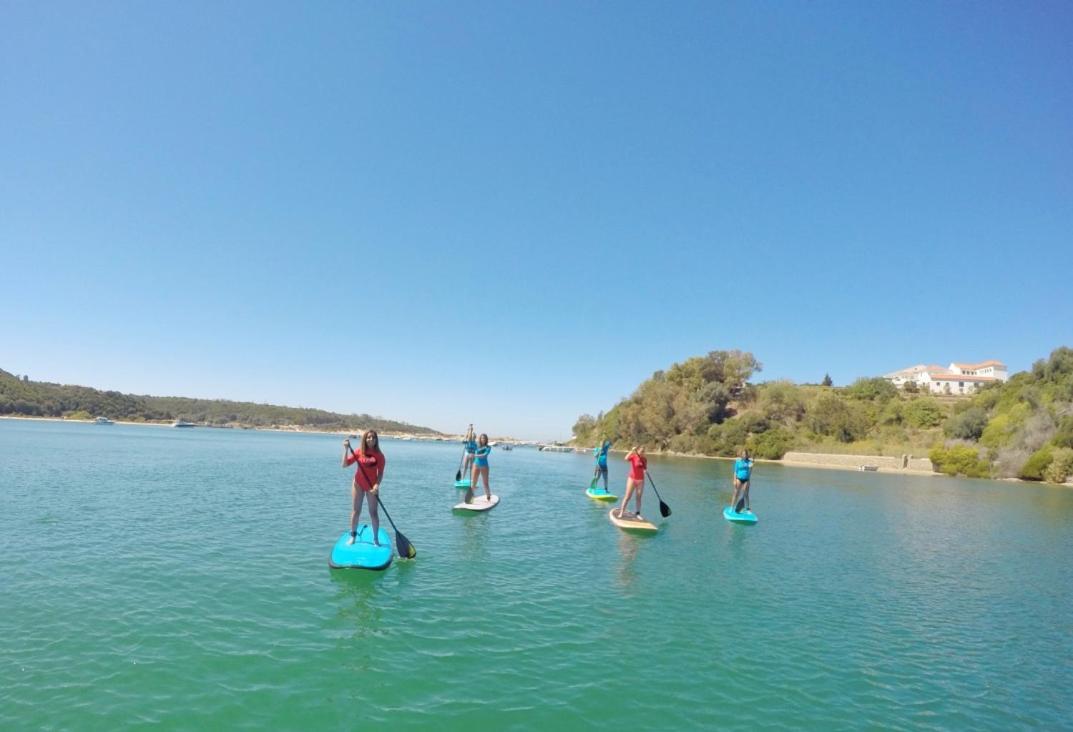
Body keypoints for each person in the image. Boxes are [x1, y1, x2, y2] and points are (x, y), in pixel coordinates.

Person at [341, 430, 386, 546]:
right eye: (368, 437)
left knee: (373, 513)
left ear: (376, 440)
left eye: (373, 437)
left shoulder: (380, 456)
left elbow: (380, 473)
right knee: (356, 511)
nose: (371, 439)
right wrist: (346, 449)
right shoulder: (358, 452)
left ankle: (375, 539)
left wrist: (377, 485)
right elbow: (344, 465)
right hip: (358, 484)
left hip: (372, 487)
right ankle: (353, 537)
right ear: (365, 439)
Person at [615, 446, 647, 520]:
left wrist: (645, 471)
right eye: (641, 451)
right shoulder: (633, 457)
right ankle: (621, 512)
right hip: (632, 479)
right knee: (627, 497)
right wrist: (632, 451)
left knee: (638, 497)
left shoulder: (644, 459)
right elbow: (625, 458)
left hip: (641, 480)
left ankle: (638, 513)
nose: (642, 453)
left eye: (643, 451)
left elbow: (645, 468)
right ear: (638, 451)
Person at [466, 433, 493, 503]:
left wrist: (474, 455)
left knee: (485, 483)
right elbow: (469, 445)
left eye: (484, 438)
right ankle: (470, 498)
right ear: (480, 439)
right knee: (473, 483)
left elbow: (484, 455)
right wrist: (470, 454)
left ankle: (488, 496)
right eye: (481, 438)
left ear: (486, 439)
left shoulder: (488, 447)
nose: (483, 439)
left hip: (484, 466)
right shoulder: (476, 446)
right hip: (476, 465)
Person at [730, 448, 754, 513]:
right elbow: (735, 471)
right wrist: (734, 480)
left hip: (746, 479)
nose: (744, 455)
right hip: (739, 479)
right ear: (741, 455)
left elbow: (750, 472)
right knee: (736, 493)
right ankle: (732, 508)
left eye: (745, 454)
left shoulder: (749, 462)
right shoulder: (738, 462)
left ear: (747, 455)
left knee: (746, 494)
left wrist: (751, 467)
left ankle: (747, 509)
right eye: (743, 454)